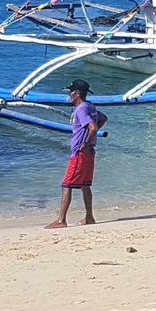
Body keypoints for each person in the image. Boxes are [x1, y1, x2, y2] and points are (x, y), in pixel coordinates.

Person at [47, 79, 107, 228]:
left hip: (80, 153)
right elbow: (103, 118)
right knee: (85, 185)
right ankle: (89, 217)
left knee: (66, 185)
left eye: (71, 92)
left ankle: (61, 220)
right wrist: (89, 141)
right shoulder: (90, 107)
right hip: (90, 153)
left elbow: (92, 127)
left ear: (77, 94)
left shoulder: (81, 109)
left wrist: (85, 143)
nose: (69, 95)